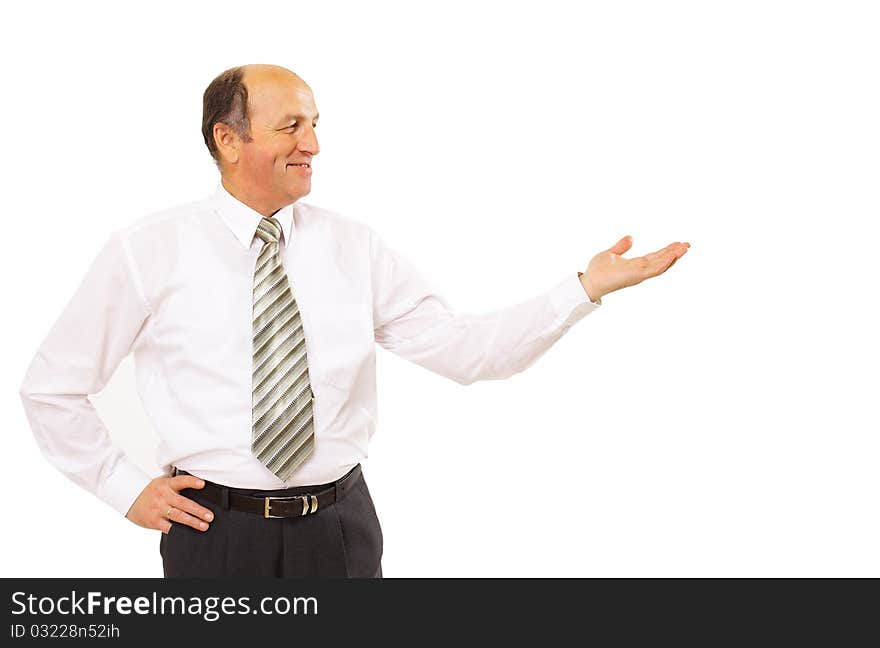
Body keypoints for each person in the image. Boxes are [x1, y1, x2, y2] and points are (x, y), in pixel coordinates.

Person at [18, 63, 690, 578]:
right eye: (291, 126)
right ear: (228, 139)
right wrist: (122, 487)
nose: (313, 142)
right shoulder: (147, 250)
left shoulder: (355, 247)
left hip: (339, 529)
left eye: (315, 123)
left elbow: (467, 352)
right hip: (214, 535)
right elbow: (51, 387)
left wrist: (581, 290)